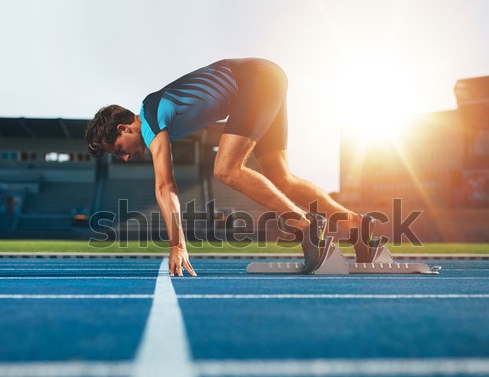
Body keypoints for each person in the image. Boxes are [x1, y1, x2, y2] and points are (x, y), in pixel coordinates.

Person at [85, 58, 375, 276]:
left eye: (119, 150)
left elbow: (165, 185)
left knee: (226, 169)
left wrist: (177, 244)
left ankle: (306, 225)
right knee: (281, 178)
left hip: (254, 83)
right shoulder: (158, 109)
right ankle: (358, 226)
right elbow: (205, 104)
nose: (125, 158)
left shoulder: (149, 119)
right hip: (263, 79)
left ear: (124, 128)